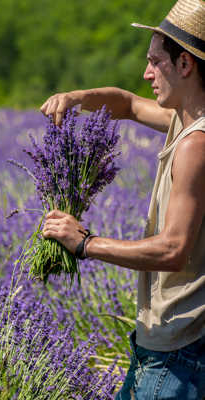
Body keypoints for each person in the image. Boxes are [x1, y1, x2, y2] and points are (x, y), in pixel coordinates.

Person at [40, 0, 205, 398]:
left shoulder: (196, 145)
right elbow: (128, 103)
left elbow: (173, 250)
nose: (145, 73)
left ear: (185, 64)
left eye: (154, 61)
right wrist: (76, 97)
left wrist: (85, 244)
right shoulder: (185, 120)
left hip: (178, 350)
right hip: (169, 344)